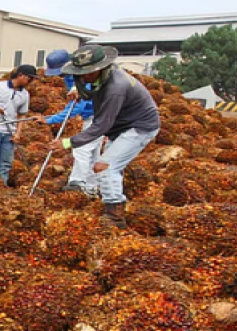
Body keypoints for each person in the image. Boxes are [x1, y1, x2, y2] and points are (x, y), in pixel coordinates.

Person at [47, 45, 160, 229]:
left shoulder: (116, 87)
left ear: (98, 68)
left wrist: (68, 142)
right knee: (107, 167)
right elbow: (93, 89)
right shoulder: (103, 76)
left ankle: (115, 217)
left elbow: (101, 126)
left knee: (105, 167)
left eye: (86, 73)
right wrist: (79, 89)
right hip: (121, 128)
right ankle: (113, 204)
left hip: (138, 127)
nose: (83, 76)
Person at [35, 49, 104, 197]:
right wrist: (50, 118)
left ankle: (77, 183)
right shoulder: (69, 78)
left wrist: (50, 119)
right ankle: (92, 188)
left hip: (99, 117)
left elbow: (77, 106)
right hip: (90, 117)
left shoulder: (85, 75)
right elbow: (74, 105)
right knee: (92, 154)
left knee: (82, 148)